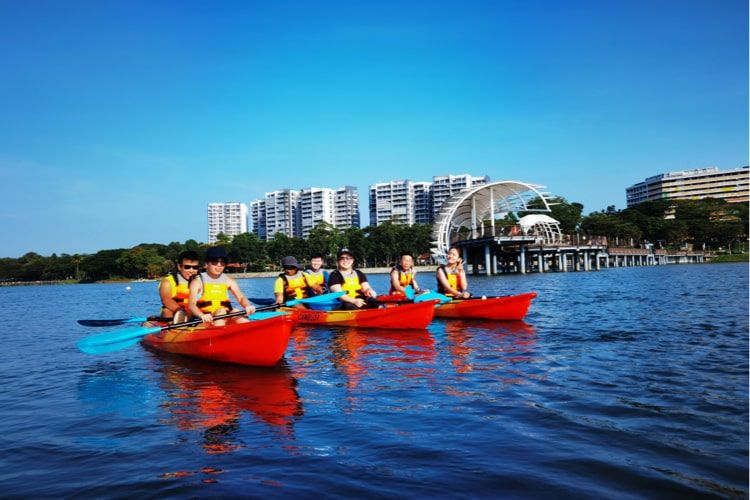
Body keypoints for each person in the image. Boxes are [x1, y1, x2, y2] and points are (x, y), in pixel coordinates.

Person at [188, 246, 256, 326]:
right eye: (215, 261)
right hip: (206, 319)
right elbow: (191, 305)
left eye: (223, 262)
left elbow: (241, 297)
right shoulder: (197, 282)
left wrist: (247, 305)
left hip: (225, 316)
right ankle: (219, 331)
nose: (219, 265)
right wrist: (201, 315)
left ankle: (250, 329)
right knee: (221, 312)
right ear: (207, 263)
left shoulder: (229, 281)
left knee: (236, 311)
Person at [158, 250, 201, 323]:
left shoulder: (202, 280)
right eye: (187, 267)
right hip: (176, 313)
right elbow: (166, 300)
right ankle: (172, 328)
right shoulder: (167, 282)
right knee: (167, 311)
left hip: (196, 314)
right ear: (179, 267)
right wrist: (182, 313)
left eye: (195, 267)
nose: (191, 270)